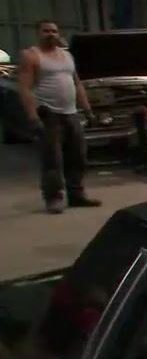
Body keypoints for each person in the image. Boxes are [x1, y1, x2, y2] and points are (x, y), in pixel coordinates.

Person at [17, 19, 100, 214]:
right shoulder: (31, 55)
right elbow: (25, 88)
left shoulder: (67, 55)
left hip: (71, 113)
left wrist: (88, 110)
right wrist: (32, 116)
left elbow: (77, 84)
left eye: (54, 31)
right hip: (48, 114)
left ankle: (76, 195)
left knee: (78, 156)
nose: (50, 34)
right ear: (38, 33)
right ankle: (53, 198)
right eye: (46, 31)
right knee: (52, 160)